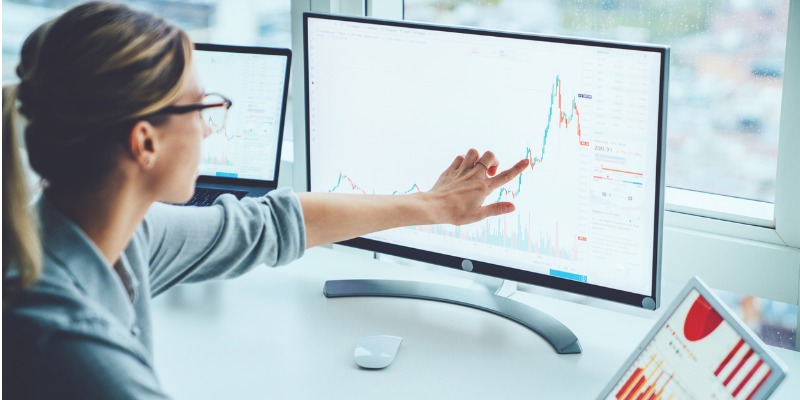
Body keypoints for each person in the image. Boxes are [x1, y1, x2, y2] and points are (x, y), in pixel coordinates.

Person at [2, 2, 529, 398]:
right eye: (203, 109)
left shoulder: (104, 232)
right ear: (145, 143)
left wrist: (433, 206)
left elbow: (270, 225)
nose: (211, 130)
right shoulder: (68, 346)